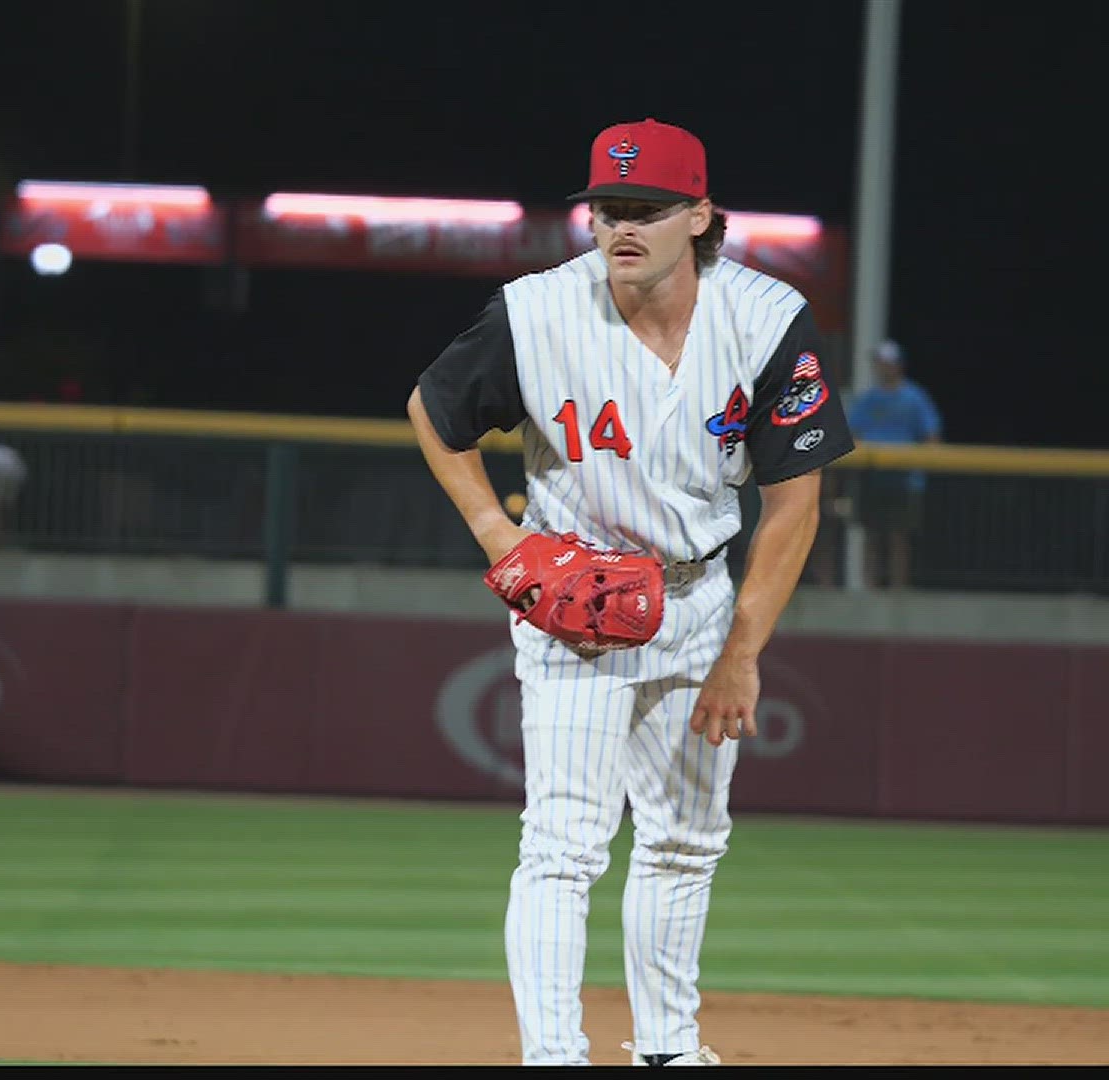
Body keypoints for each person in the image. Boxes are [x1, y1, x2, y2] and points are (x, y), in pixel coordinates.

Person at [407, 117, 853, 1067]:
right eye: (609, 208)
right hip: (578, 612)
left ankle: (666, 1050)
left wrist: (741, 653)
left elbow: (795, 505)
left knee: (688, 841)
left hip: (698, 604)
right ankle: (555, 1057)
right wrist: (498, 533)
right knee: (563, 849)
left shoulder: (766, 319)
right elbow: (434, 410)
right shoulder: (535, 312)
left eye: (646, 209)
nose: (623, 226)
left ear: (700, 215)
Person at [844, 340, 941, 588]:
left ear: (897, 365)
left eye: (886, 363)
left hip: (905, 478)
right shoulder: (869, 398)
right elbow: (853, 433)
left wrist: (925, 463)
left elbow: (931, 436)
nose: (881, 367)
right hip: (873, 476)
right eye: (879, 363)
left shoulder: (914, 397)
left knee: (899, 538)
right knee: (871, 537)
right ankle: (869, 589)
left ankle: (898, 591)